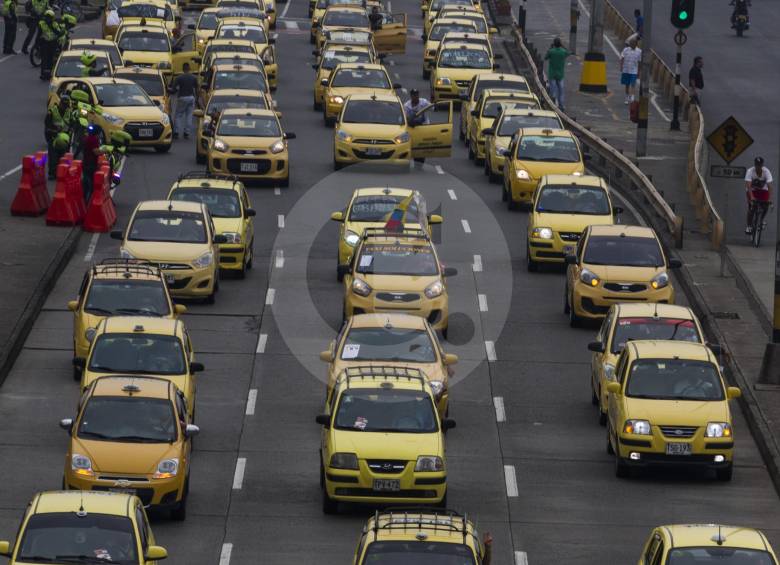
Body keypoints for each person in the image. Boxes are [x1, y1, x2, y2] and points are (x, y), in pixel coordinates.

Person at [45, 94, 71, 178]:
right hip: (53, 136)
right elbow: (47, 125)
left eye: (66, 106)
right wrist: (55, 130)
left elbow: (72, 124)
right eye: (63, 105)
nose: (64, 107)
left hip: (65, 138)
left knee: (63, 156)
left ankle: (61, 173)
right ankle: (52, 173)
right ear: (60, 104)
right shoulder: (52, 112)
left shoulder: (69, 112)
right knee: (53, 156)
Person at [169, 62, 198, 139]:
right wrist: (197, 98)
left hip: (182, 97)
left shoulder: (179, 78)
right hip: (191, 97)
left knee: (178, 115)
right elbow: (196, 88)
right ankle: (186, 132)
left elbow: (173, 89)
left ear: (183, 69)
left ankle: (176, 132)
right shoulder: (194, 78)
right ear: (189, 68)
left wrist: (168, 90)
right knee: (189, 116)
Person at [745, 157, 773, 234]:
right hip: (752, 190)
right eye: (757, 165)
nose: (758, 166)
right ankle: (749, 226)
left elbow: (770, 186)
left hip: (763, 190)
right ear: (755, 165)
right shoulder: (750, 171)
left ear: (762, 165)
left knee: (766, 205)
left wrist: (769, 199)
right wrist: (752, 197)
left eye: (760, 165)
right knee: (751, 207)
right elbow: (748, 186)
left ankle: (761, 220)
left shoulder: (766, 171)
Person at [544, 37, 569, 111]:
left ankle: (552, 104)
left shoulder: (551, 51)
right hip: (560, 75)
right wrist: (562, 46)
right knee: (561, 91)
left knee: (553, 90)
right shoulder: (563, 51)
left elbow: (545, 57)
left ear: (554, 44)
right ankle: (561, 106)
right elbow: (568, 52)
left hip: (552, 74)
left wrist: (550, 48)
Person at [81, 124, 103, 204]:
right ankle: (88, 202)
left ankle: (84, 201)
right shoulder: (93, 139)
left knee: (86, 184)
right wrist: (104, 151)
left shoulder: (88, 138)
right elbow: (95, 151)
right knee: (91, 185)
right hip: (90, 164)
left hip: (86, 163)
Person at [37, 8, 58, 80]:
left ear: (52, 18)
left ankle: (49, 74)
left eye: (50, 18)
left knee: (50, 60)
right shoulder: (41, 23)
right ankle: (43, 74)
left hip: (52, 43)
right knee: (44, 59)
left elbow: (58, 33)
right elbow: (38, 34)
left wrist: (51, 26)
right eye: (47, 17)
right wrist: (37, 45)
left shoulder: (55, 24)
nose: (48, 19)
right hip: (44, 43)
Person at [619, 37, 641, 104]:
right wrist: (621, 66)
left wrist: (639, 72)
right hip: (626, 69)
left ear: (636, 44)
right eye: (630, 43)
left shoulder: (639, 51)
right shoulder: (625, 50)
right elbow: (622, 58)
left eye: (633, 43)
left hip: (634, 70)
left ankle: (632, 97)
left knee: (633, 84)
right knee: (627, 84)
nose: (631, 44)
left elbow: (639, 62)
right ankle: (627, 97)